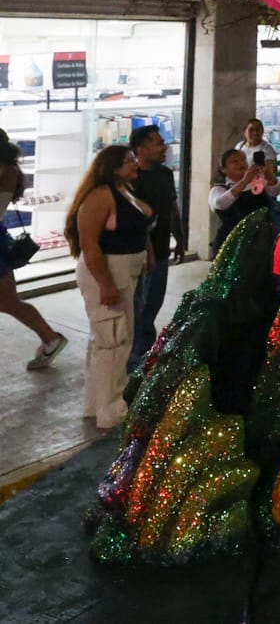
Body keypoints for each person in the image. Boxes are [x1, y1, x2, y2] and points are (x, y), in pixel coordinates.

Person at [65, 145, 153, 429]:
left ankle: (97, 404)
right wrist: (106, 284)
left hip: (124, 272)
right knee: (113, 340)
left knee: (108, 340)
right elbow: (89, 245)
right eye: (129, 161)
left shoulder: (125, 191)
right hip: (108, 272)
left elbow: (140, 227)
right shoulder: (100, 196)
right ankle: (111, 410)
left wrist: (148, 255)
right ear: (112, 167)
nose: (135, 164)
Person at [0, 128, 66, 370]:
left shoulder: (6, 171)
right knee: (8, 301)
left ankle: (51, 338)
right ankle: (50, 338)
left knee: (8, 301)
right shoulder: (9, 170)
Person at [127, 125, 184, 371]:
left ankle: (145, 354)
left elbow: (172, 208)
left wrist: (179, 238)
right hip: (137, 253)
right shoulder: (131, 178)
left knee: (152, 305)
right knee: (136, 308)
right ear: (141, 149)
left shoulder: (165, 174)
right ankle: (134, 359)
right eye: (158, 143)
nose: (164, 147)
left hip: (160, 250)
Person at [208, 149, 278, 252]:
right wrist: (244, 182)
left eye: (243, 159)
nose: (241, 163)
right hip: (232, 245)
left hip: (261, 242)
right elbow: (219, 204)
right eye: (235, 161)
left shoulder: (257, 182)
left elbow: (275, 191)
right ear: (223, 169)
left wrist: (269, 176)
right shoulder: (219, 188)